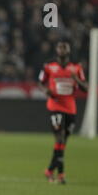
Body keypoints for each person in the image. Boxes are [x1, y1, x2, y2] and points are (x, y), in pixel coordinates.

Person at [38, 41, 88, 184]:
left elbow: (86, 87)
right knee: (59, 138)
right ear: (56, 49)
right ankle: (61, 174)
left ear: (69, 50)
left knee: (63, 142)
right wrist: (45, 91)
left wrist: (76, 79)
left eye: (64, 47)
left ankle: (50, 171)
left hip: (70, 108)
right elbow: (40, 83)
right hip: (55, 106)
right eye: (60, 47)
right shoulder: (49, 65)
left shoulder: (76, 67)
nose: (62, 49)